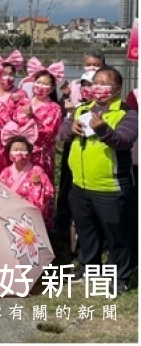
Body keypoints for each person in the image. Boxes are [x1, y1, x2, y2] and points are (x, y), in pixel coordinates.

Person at [58, 65, 137, 290]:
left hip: (109, 186)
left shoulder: (127, 113)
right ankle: (87, 268)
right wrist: (70, 127)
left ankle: (120, 277)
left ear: (117, 88)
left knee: (116, 234)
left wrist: (104, 130)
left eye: (104, 84)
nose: (98, 88)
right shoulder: (82, 108)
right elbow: (62, 133)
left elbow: (123, 140)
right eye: (95, 83)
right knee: (87, 231)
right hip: (80, 185)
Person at [53, 50, 105, 240]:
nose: (92, 66)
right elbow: (62, 123)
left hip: (96, 154)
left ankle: (95, 231)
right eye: (88, 63)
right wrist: (64, 98)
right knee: (68, 184)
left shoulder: (108, 100)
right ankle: (62, 223)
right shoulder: (75, 88)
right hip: (73, 147)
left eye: (96, 64)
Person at [0, 136, 55, 229]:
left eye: (23, 150)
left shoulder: (37, 171)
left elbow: (49, 193)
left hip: (29, 216)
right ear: (9, 154)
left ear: (29, 153)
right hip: (9, 215)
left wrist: (37, 186)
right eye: (15, 150)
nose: (19, 153)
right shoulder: (5, 172)